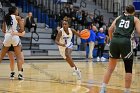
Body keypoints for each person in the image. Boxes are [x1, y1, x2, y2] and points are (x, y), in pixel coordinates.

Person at [100, 5, 140, 93]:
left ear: (125, 11)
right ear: (133, 12)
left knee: (110, 68)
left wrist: (111, 40)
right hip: (126, 42)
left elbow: (110, 29)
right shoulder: (135, 19)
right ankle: (127, 91)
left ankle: (103, 88)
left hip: (114, 41)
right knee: (128, 69)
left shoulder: (118, 17)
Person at [1, 6, 24, 80]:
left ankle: (12, 73)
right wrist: (17, 31)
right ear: (14, 11)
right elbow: (22, 29)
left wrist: (9, 32)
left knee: (1, 56)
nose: (17, 11)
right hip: (14, 36)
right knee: (18, 57)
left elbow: (3, 30)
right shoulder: (18, 18)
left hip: (7, 36)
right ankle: (20, 74)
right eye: (17, 10)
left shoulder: (6, 17)